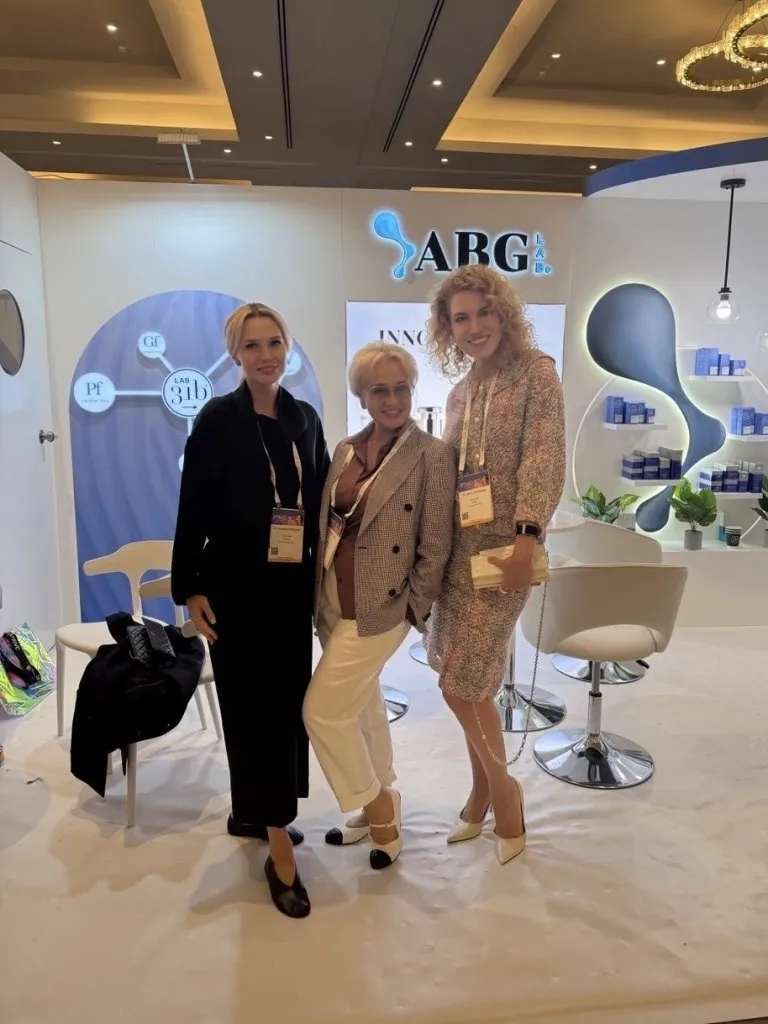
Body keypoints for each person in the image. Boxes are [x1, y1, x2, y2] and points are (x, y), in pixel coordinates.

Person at [171, 302, 329, 919]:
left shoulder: (304, 418)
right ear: (235, 354)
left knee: (286, 707)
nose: (266, 355)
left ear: (287, 348)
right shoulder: (218, 419)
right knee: (251, 709)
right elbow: (193, 505)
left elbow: (319, 503)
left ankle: (258, 810)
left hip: (289, 593)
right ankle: (278, 846)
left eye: (275, 343)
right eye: (253, 345)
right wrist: (189, 587)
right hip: (235, 590)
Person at [424, 266, 565, 865]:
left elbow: (544, 457)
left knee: (460, 683)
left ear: (503, 312)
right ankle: (482, 791)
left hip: (508, 553)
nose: (474, 326)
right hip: (458, 557)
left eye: (484, 312)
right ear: (447, 329)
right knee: (469, 681)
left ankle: (505, 795)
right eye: (461, 318)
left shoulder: (536, 373)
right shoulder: (461, 392)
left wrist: (528, 537)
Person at [303, 342, 456, 870]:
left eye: (401, 388)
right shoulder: (346, 449)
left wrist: (413, 608)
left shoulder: (433, 456)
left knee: (321, 711)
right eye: (380, 390)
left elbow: (436, 544)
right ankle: (381, 793)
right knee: (361, 703)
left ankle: (379, 807)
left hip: (384, 606)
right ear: (362, 397)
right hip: (332, 596)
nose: (393, 400)